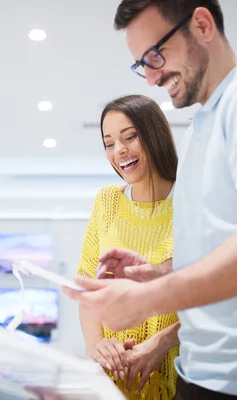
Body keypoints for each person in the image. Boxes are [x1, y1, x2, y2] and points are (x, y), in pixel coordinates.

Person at [65, 1, 237, 399]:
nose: (150, 76)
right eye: (141, 64)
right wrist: (159, 272)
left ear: (201, 25)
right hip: (202, 375)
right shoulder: (202, 127)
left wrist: (148, 299)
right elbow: (224, 248)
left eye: (155, 55)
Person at [77, 94, 180, 399]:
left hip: (179, 379)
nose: (119, 150)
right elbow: (88, 290)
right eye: (109, 143)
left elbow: (216, 295)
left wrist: (160, 343)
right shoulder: (107, 201)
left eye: (130, 137)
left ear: (155, 135)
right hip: (113, 383)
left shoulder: (192, 202)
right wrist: (97, 345)